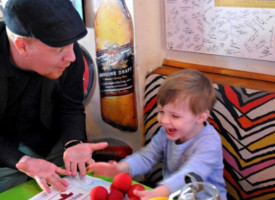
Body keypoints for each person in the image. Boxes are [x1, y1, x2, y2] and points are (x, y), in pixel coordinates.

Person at [0, 0, 108, 194]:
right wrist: (22, 161)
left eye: (72, 44)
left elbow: (70, 107)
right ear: (22, 46)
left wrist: (74, 142)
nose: (72, 57)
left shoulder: (70, 55)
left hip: (48, 141)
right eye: (59, 50)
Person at [87, 69, 227, 200]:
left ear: (201, 117)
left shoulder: (209, 143)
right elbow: (146, 157)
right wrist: (120, 168)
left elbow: (190, 174)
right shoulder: (167, 132)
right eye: (161, 111)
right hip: (171, 195)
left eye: (175, 116)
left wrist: (159, 192)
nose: (164, 121)